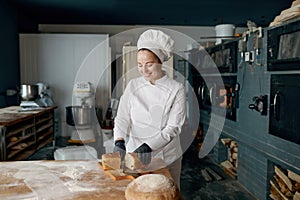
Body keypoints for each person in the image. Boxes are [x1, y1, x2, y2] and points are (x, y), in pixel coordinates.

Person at [113, 29, 186, 188]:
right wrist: (119, 140)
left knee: (166, 195)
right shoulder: (133, 85)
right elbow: (123, 117)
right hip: (135, 155)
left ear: (160, 62)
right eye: (139, 65)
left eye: (149, 64)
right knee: (136, 193)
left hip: (166, 156)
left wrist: (149, 147)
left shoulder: (176, 89)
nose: (144, 70)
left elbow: (173, 127)